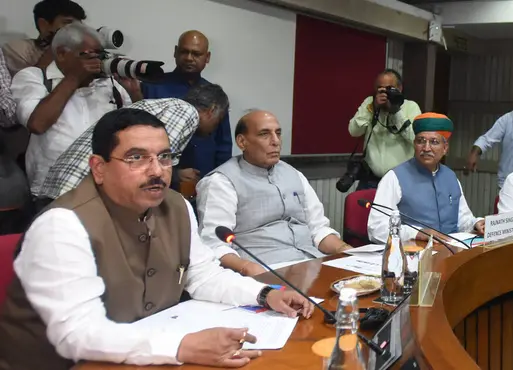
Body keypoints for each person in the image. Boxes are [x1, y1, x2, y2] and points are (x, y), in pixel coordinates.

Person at [0, 108, 313, 370]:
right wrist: (182, 346)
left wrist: (265, 294)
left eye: (164, 157)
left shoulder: (175, 206)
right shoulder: (62, 225)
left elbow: (202, 275)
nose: (157, 171)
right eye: (136, 158)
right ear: (99, 167)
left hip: (145, 355)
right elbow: (79, 334)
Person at [197, 110, 351, 276]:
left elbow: (318, 228)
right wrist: (249, 268)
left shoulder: (293, 174)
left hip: (311, 265)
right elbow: (214, 244)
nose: (276, 141)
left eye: (278, 133)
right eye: (265, 134)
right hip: (264, 270)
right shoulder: (222, 182)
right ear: (242, 142)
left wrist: (345, 250)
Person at [10, 22, 140, 209]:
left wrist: (135, 94)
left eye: (100, 55)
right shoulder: (34, 77)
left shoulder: (110, 85)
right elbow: (37, 124)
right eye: (89, 55)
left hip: (106, 187)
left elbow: (136, 131)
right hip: (54, 191)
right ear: (62, 53)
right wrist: (73, 78)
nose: (98, 61)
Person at [38, 83, 229, 201]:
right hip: (76, 193)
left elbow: (139, 155)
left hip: (60, 187)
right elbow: (152, 159)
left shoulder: (161, 105)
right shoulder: (185, 112)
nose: (214, 129)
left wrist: (177, 174)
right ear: (212, 110)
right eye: (218, 121)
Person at [368, 113, 485, 243]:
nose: (426, 148)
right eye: (421, 141)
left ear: (445, 148)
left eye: (434, 142)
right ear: (414, 145)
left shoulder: (450, 177)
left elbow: (463, 220)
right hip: (413, 254)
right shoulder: (394, 178)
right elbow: (376, 229)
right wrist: (416, 233)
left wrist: (476, 223)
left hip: (450, 251)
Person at [142, 30, 232, 190]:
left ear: (207, 57)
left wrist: (221, 181)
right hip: (162, 182)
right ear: (175, 52)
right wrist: (175, 173)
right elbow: (141, 139)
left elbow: (223, 146)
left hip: (205, 181)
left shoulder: (215, 95)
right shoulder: (152, 87)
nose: (189, 58)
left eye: (196, 54)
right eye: (184, 52)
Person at [348, 69, 421, 190]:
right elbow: (353, 131)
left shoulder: (410, 107)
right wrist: (372, 108)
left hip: (401, 182)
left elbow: (415, 139)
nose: (384, 93)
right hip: (371, 180)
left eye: (389, 88)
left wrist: (396, 112)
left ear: (400, 88)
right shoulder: (369, 104)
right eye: (380, 88)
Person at [2, 0, 87, 76]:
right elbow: (29, 83)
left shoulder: (80, 50)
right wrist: (56, 48)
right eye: (68, 23)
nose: (77, 29)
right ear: (43, 25)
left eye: (79, 24)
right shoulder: (18, 49)